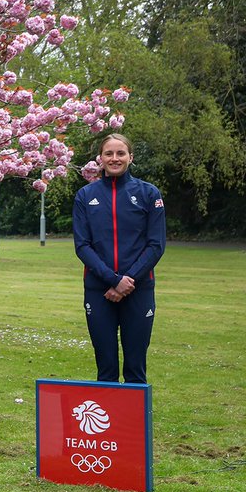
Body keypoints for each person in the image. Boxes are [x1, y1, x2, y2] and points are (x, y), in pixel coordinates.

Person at [72, 133, 165, 384]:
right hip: (98, 290)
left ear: (130, 157)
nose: (115, 158)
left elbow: (156, 245)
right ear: (100, 159)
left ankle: (134, 424)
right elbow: (82, 246)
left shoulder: (149, 193)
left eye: (120, 153)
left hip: (139, 289)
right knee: (106, 369)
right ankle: (109, 425)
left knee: (135, 368)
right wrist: (112, 280)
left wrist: (127, 281)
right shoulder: (85, 195)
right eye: (109, 154)